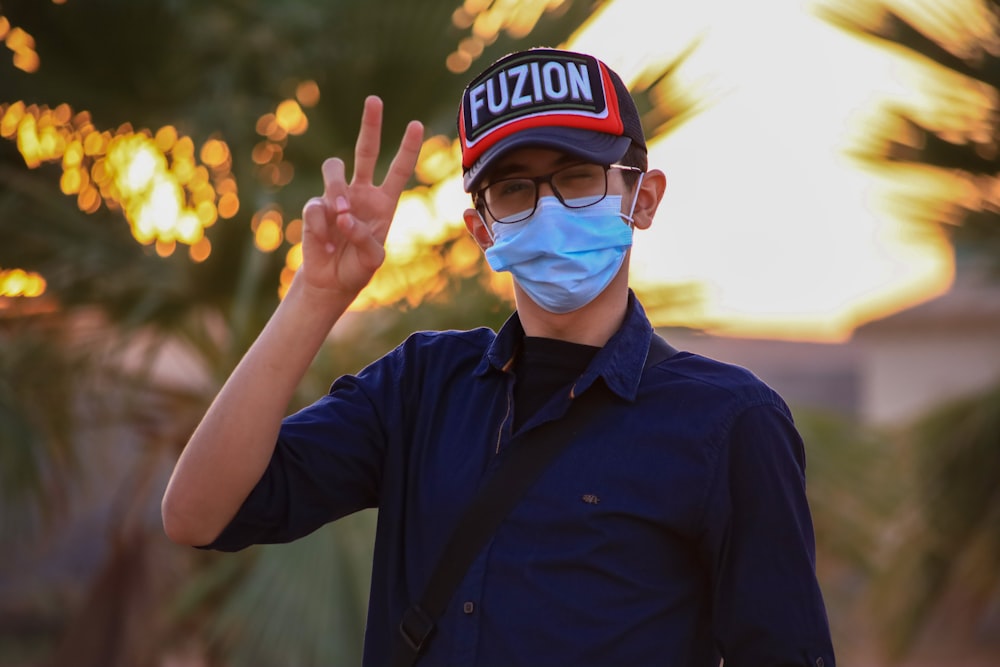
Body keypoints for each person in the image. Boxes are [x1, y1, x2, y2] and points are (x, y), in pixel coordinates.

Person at [162, 47, 836, 666]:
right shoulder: (419, 388)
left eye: (577, 177)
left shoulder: (729, 423)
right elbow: (197, 514)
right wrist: (314, 296)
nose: (548, 207)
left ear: (644, 196)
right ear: (482, 228)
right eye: (514, 188)